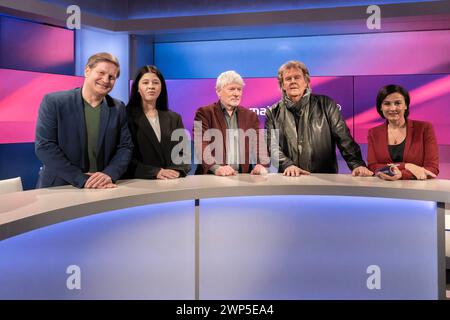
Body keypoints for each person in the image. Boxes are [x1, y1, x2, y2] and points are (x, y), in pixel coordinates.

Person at [35, 52, 133, 189]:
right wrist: (81, 179)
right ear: (87, 71)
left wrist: (109, 174)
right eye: (101, 73)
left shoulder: (118, 107)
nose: (105, 80)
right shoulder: (54, 102)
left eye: (111, 77)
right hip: (59, 186)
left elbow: (125, 147)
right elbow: (45, 147)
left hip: (102, 186)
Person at [265, 60, 372, 177]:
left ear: (306, 82)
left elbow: (343, 138)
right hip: (289, 177)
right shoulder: (272, 112)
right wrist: (287, 165)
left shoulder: (327, 104)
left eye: (297, 77)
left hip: (323, 178)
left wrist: (357, 164)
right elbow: (272, 146)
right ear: (282, 85)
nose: (293, 81)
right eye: (288, 79)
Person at [194, 70, 269, 176]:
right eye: (232, 89)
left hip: (243, 177)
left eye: (239, 89)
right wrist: (216, 168)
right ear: (219, 91)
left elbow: (259, 144)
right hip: (212, 176)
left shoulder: (250, 116)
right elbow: (200, 143)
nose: (236, 93)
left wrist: (261, 164)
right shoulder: (204, 113)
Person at [126, 65, 191, 179]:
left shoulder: (174, 118)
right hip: (139, 183)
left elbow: (182, 153)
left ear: (161, 88)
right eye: (145, 83)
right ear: (137, 87)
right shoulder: (125, 116)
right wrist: (155, 172)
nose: (151, 87)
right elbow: (124, 156)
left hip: (170, 183)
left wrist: (176, 170)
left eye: (155, 82)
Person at [367, 84, 439, 180]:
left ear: (405, 105)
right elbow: (373, 166)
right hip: (383, 190)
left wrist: (402, 174)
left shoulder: (424, 129)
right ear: (381, 107)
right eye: (387, 104)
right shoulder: (373, 133)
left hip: (418, 191)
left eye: (397, 103)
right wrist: (406, 166)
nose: (393, 108)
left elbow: (432, 169)